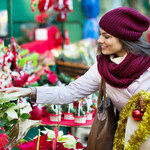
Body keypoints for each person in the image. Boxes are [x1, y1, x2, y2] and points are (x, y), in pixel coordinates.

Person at [1, 7, 150, 112]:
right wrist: (28, 92)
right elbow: (69, 93)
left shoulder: (147, 65)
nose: (99, 40)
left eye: (106, 36)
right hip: (126, 140)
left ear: (125, 38)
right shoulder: (103, 68)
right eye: (100, 34)